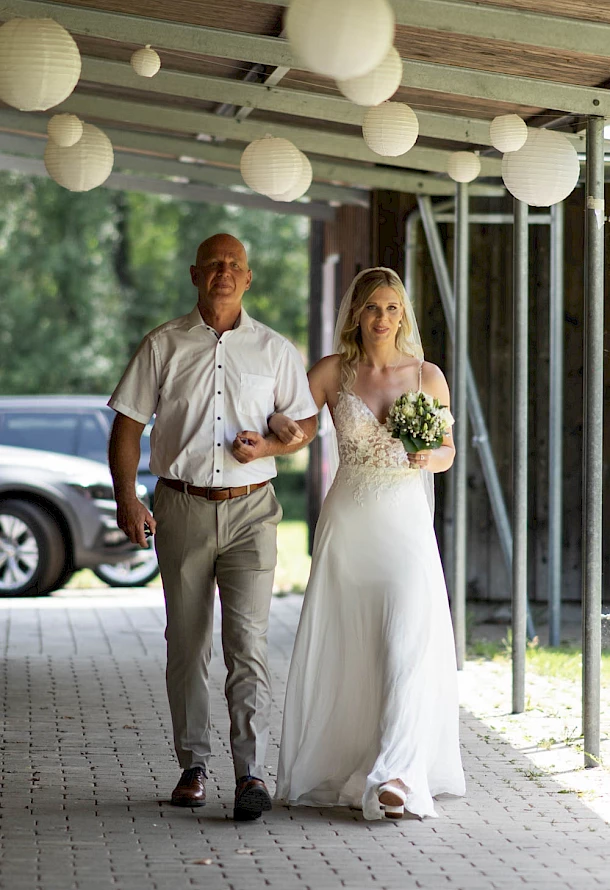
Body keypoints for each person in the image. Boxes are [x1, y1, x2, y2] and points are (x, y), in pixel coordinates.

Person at [107, 233, 317, 821]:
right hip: (182, 506)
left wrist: (272, 443)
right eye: (214, 264)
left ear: (248, 278)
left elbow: (304, 424)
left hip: (253, 510)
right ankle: (193, 766)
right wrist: (128, 499)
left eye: (234, 265)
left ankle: (251, 773)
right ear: (195, 275)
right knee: (187, 642)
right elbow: (127, 428)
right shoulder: (163, 345)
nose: (224, 272)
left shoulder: (274, 350)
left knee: (247, 644)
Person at [271, 267, 465, 820]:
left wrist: (430, 456)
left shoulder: (426, 375)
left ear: (403, 315)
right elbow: (295, 425)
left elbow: (448, 450)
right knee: (353, 646)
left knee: (406, 639)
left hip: (404, 523)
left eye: (392, 308)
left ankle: (398, 774)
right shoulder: (332, 371)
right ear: (356, 313)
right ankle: (354, 760)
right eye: (373, 307)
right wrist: (278, 429)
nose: (382, 318)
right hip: (349, 522)